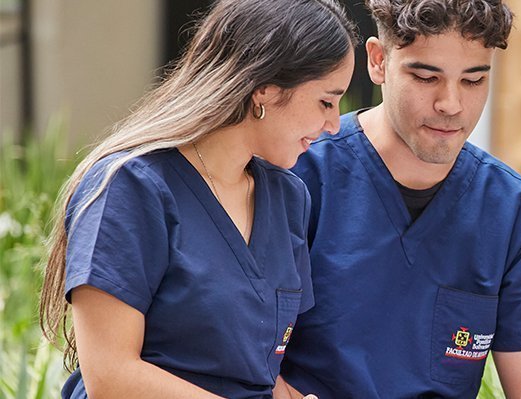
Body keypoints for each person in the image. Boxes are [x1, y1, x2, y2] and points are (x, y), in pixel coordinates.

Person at [278, 1, 521, 398]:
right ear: (378, 61)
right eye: (425, 77)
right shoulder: (299, 176)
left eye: (473, 81)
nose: (451, 104)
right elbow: (242, 360)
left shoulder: (511, 208)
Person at [37, 0, 358, 397]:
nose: (333, 123)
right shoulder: (130, 187)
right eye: (326, 101)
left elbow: (256, 372)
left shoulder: (288, 196)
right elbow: (111, 376)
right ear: (265, 90)